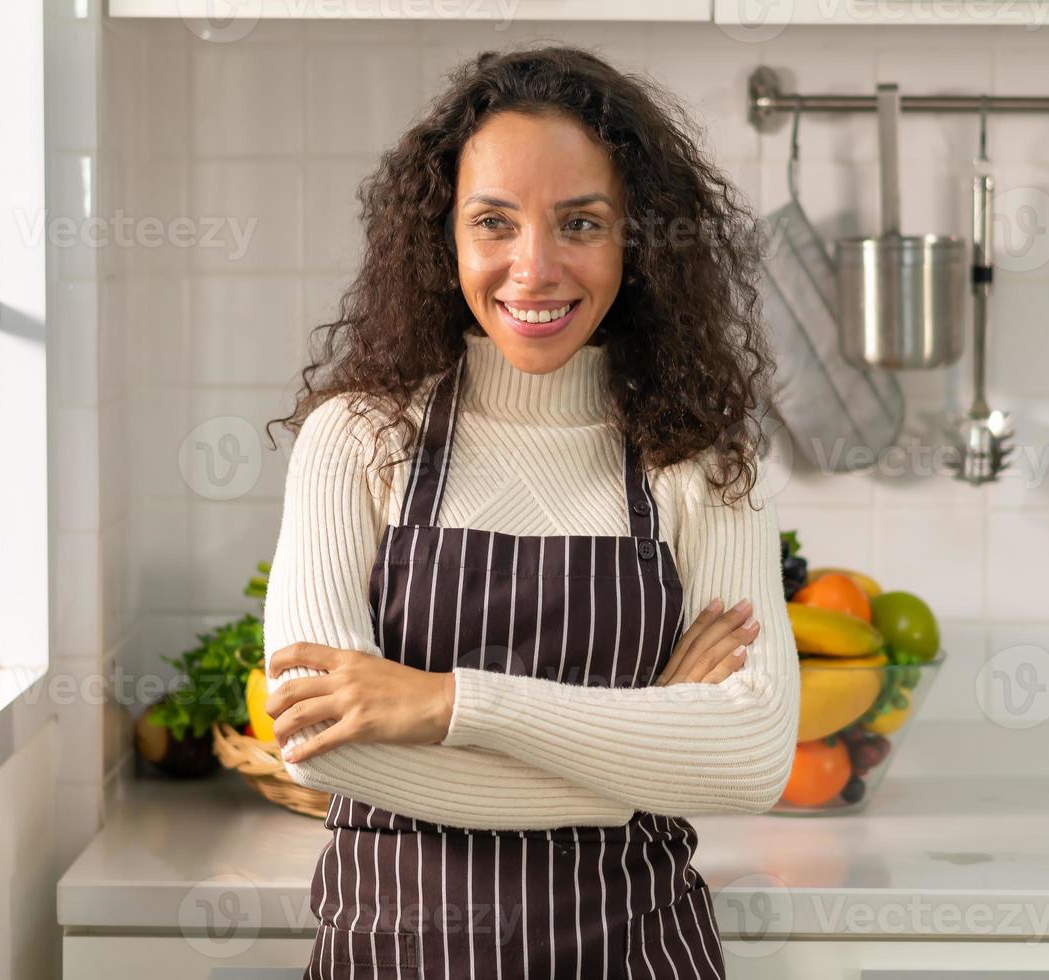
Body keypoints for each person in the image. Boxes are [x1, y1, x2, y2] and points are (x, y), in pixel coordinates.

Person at [260, 45, 799, 980]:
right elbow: (317, 747)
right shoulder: (355, 441)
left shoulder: (699, 460)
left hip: (637, 955)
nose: (533, 268)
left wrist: (440, 704)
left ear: (640, 241)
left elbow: (748, 758)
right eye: (493, 223)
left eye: (580, 222)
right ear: (446, 238)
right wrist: (640, 746)